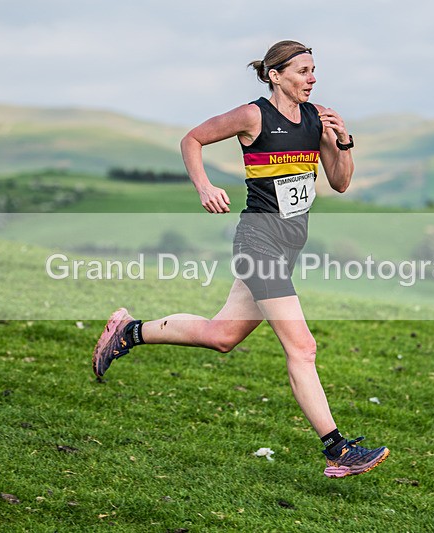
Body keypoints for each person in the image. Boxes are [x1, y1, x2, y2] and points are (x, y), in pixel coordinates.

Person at [92, 40, 389, 478]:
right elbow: (192, 139)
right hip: (259, 242)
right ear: (275, 75)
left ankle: (128, 332)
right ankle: (337, 450)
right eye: (303, 71)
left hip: (286, 246)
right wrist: (204, 187)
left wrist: (342, 141)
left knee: (222, 335)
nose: (312, 78)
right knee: (302, 348)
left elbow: (340, 182)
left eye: (314, 71)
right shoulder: (253, 116)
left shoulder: (316, 118)